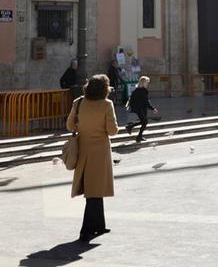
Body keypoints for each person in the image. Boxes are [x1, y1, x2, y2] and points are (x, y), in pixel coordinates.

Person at [66, 74, 120, 240]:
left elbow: (69, 126)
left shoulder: (79, 102)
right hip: (100, 152)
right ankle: (87, 229)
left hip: (83, 149)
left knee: (94, 189)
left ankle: (99, 225)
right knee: (95, 191)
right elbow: (112, 130)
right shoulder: (107, 105)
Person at [124, 76, 157, 143]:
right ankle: (138, 136)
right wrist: (152, 108)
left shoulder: (141, 90)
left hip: (141, 108)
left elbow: (145, 100)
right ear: (142, 83)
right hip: (139, 108)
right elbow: (146, 101)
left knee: (143, 121)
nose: (147, 84)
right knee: (145, 122)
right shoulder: (139, 91)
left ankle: (130, 127)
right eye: (146, 83)